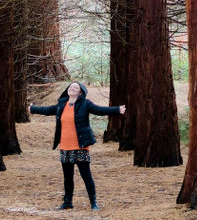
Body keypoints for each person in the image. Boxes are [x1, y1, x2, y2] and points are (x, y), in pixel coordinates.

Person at [29, 81, 125, 211]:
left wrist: (118, 110)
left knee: (86, 176)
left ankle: (93, 202)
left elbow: (100, 110)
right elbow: (47, 110)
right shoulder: (61, 104)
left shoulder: (85, 104)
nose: (72, 88)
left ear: (80, 92)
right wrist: (32, 109)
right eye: (71, 87)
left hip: (80, 147)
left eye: (76, 87)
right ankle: (67, 202)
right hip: (65, 147)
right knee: (67, 177)